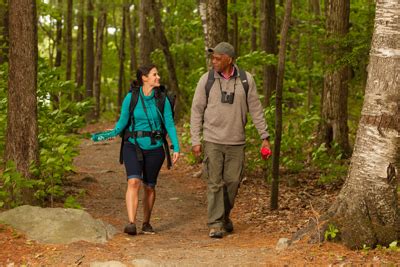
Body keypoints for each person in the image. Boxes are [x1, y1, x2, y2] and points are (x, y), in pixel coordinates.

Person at [190, 42, 271, 238]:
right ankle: (216, 223)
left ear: (229, 60)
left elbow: (256, 109)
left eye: (218, 58)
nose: (213, 62)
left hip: (236, 141)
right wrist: (196, 139)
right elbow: (196, 110)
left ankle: (224, 216)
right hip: (212, 139)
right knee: (215, 182)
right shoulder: (206, 79)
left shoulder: (245, 80)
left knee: (233, 182)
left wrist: (265, 137)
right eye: (212, 58)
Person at [92, 64, 180, 235]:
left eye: (158, 74)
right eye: (155, 74)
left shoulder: (162, 99)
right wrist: (102, 136)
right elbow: (121, 125)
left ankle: (146, 223)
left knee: (149, 187)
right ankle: (131, 222)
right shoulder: (131, 98)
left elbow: (169, 123)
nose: (158, 77)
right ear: (144, 78)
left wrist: (176, 146)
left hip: (155, 148)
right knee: (133, 181)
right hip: (132, 145)